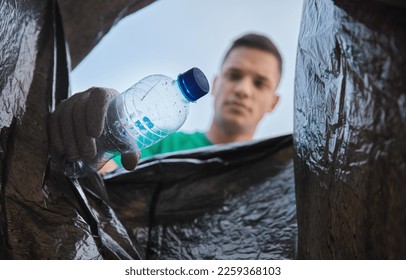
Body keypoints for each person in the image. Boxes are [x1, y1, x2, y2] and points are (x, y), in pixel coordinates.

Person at [48, 33, 282, 175]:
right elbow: (107, 172)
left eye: (260, 83)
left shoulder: (273, 173)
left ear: (273, 102)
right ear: (216, 83)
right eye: (234, 75)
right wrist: (90, 136)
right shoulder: (164, 146)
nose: (243, 90)